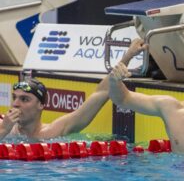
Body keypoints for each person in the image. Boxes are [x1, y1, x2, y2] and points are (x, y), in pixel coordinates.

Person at [0, 39, 147, 140]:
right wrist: (3, 131)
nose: (15, 104)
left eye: (24, 99)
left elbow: (100, 93)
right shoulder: (5, 129)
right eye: (15, 97)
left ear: (41, 105)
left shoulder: (53, 132)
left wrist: (128, 56)